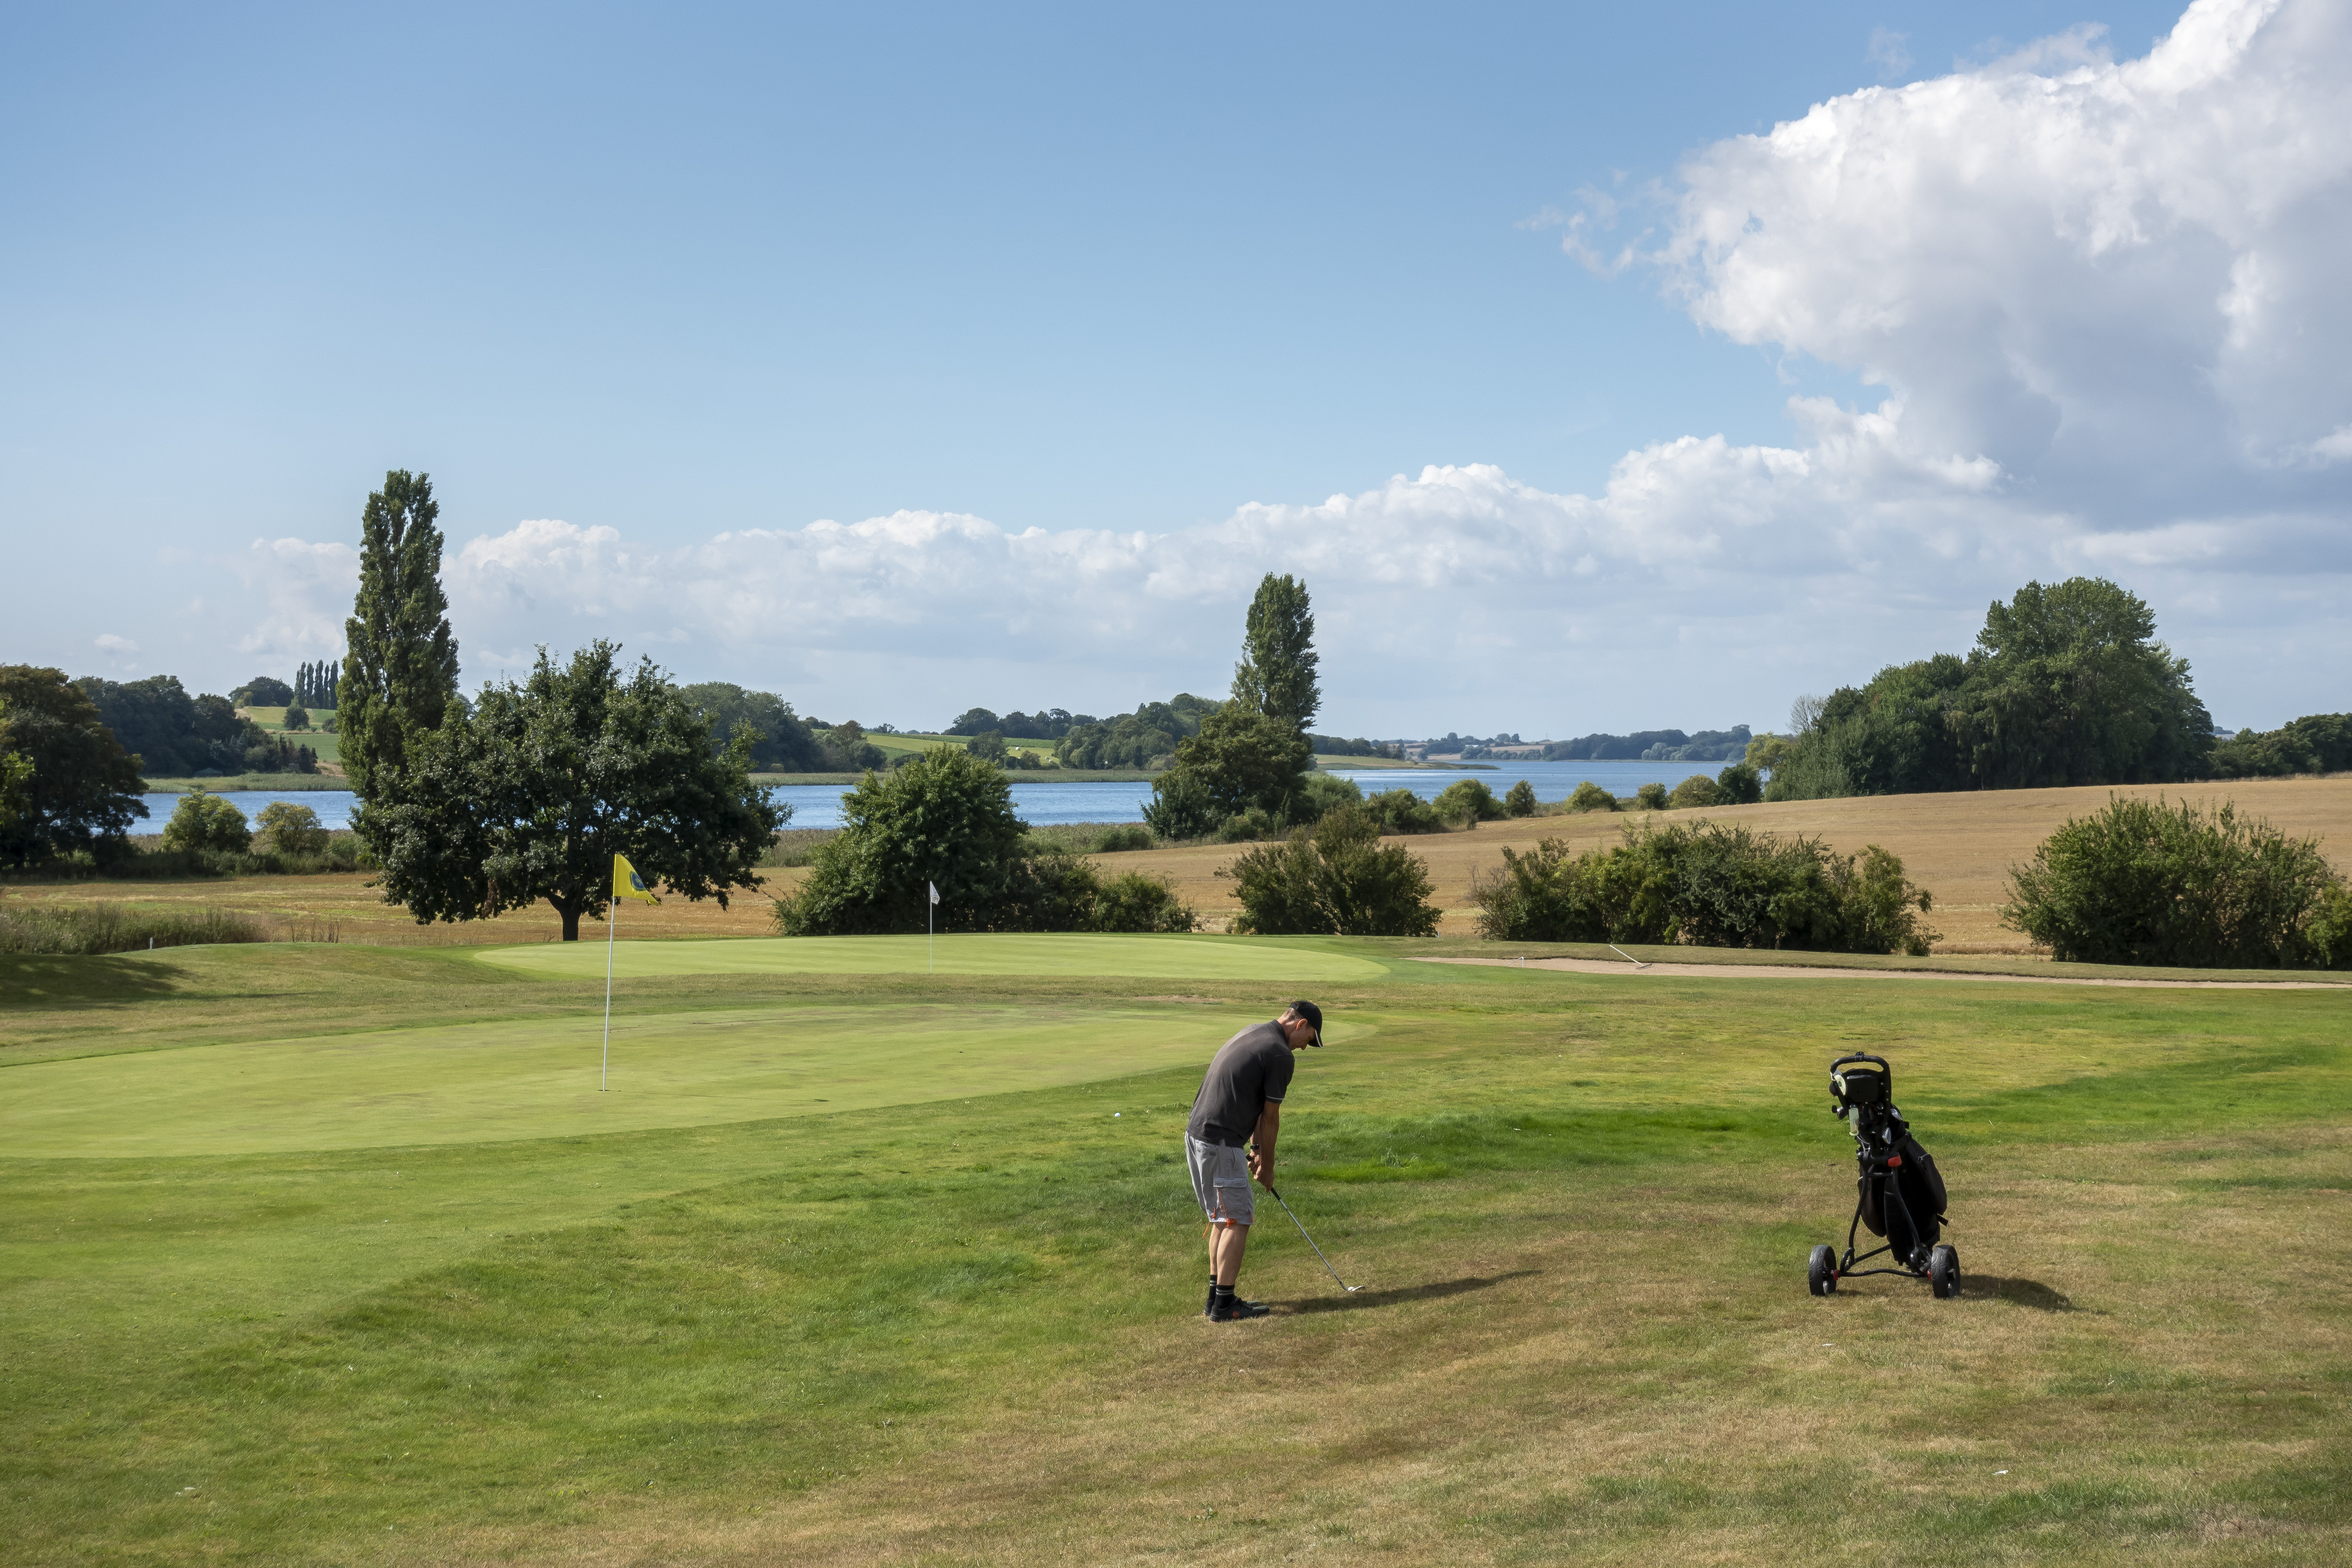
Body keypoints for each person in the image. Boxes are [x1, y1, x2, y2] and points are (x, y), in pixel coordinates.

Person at [1185, 999, 1323, 1322]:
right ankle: (1225, 1304)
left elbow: (1257, 1108)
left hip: (1199, 1135)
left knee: (1223, 1218)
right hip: (1220, 1141)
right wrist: (1269, 1169)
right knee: (1238, 1219)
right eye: (1311, 1040)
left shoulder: (1253, 1032)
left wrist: (1258, 1150)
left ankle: (1214, 1299)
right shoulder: (1279, 1054)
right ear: (1300, 1025)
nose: (1307, 1048)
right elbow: (1272, 1117)